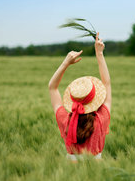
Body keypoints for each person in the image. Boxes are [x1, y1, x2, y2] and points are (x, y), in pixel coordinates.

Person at [48, 33, 111, 161]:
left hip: (70, 176)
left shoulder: (65, 121)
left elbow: (52, 88)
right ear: (95, 100)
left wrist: (65, 63)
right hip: (97, 175)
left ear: (73, 99)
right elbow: (107, 84)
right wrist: (99, 53)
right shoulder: (100, 120)